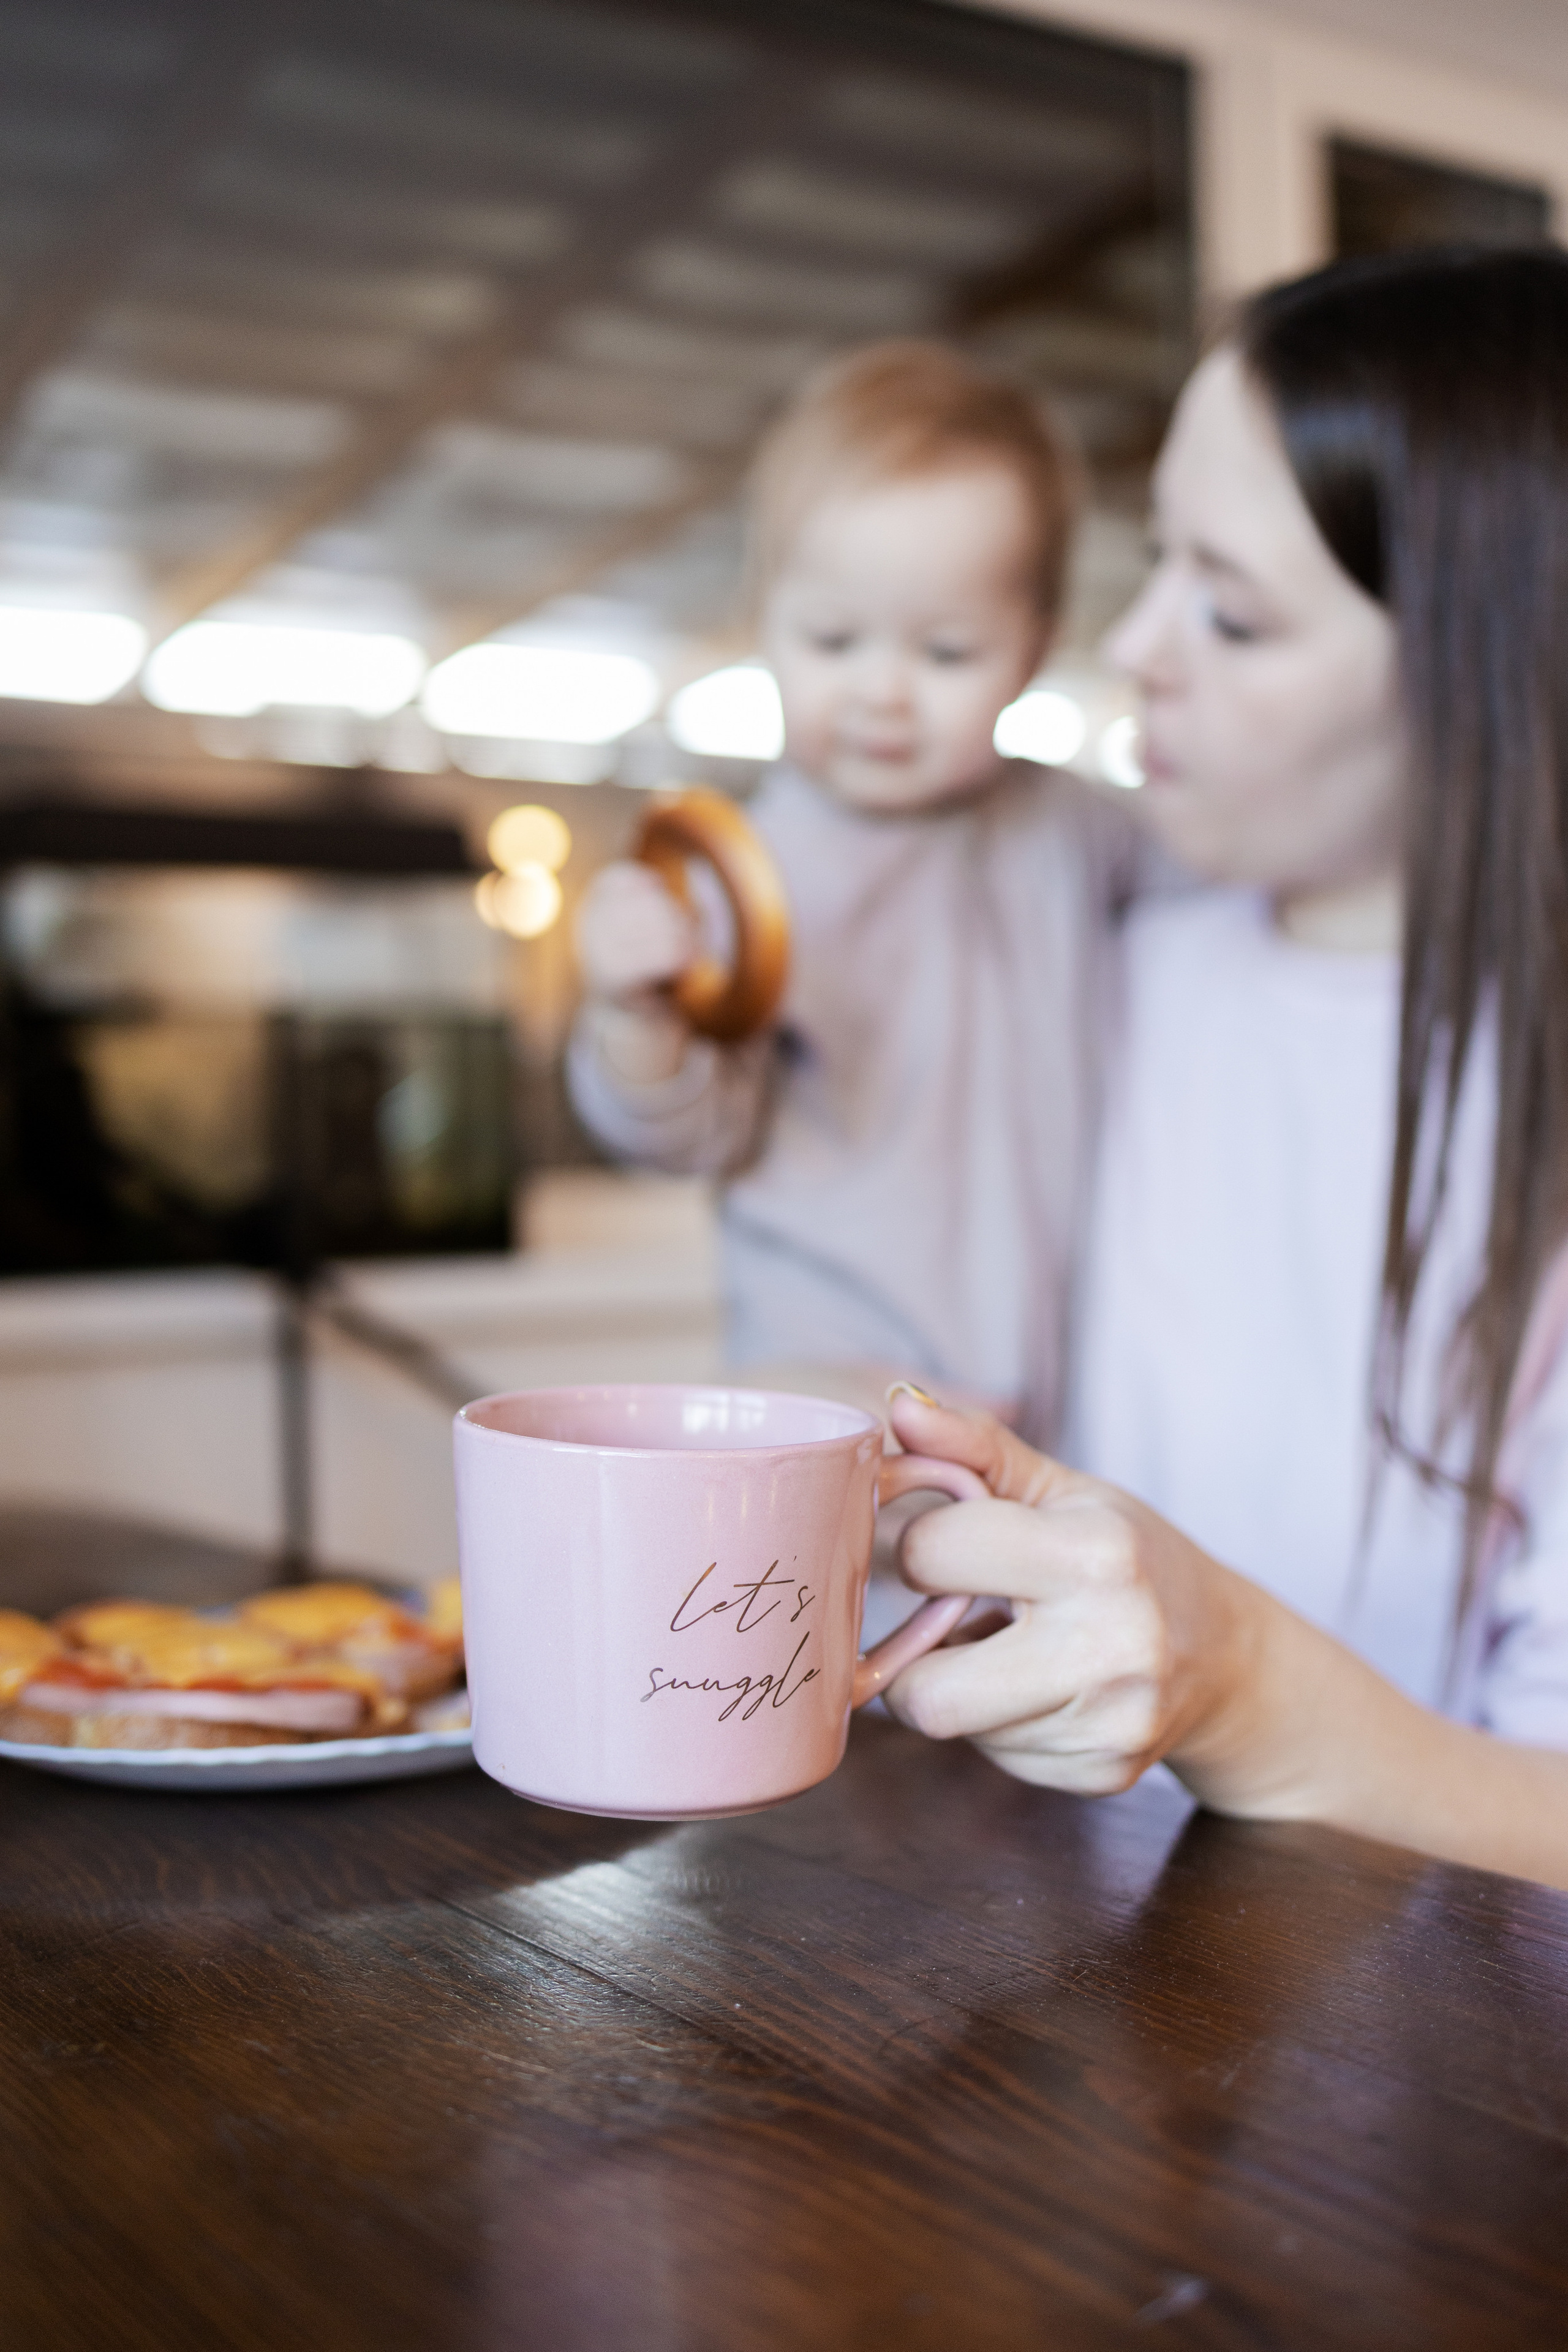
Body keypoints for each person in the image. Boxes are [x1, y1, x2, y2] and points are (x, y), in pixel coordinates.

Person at [880, 246, 1568, 1891]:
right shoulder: (1112, 977)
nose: (1134, 643)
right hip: (1056, 1954)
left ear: (1487, 677)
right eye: (1158, 563)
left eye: (1233, 611)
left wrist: (1232, 1680)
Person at [570, 342, 1134, 1442]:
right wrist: (631, 1013)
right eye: (833, 640)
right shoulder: (742, 877)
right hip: (827, 1383)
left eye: (947, 651)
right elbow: (681, 1137)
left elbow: (1239, 887)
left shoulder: (1076, 829)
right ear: (765, 623)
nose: (882, 690)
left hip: (1047, 1398)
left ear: (1033, 652)